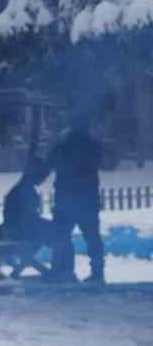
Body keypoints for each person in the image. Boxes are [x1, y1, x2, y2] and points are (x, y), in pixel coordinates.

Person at [48, 113, 106, 284]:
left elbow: (51, 161)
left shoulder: (63, 146)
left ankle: (63, 270)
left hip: (66, 199)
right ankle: (97, 272)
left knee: (62, 236)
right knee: (92, 237)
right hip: (88, 199)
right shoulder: (93, 146)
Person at [0, 161, 70, 280]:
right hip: (19, 231)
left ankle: (56, 271)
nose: (43, 179)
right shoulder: (24, 190)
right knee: (61, 236)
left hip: (19, 228)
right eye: (42, 176)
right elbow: (27, 218)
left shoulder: (23, 188)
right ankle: (58, 272)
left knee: (58, 233)